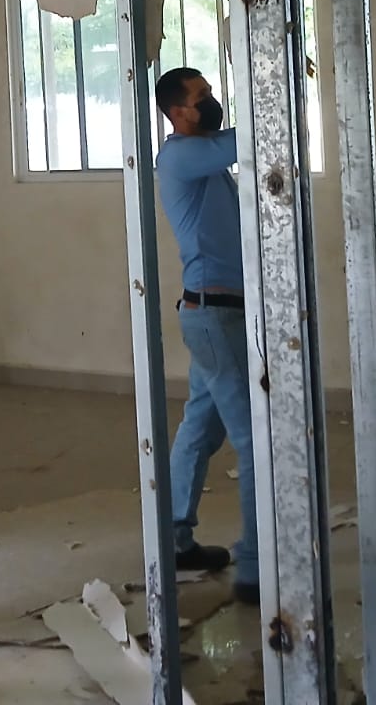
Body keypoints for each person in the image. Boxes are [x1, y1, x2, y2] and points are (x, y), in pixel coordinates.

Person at [154, 66, 258, 604]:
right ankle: (257, 568)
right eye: (202, 97)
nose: (212, 102)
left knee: (199, 429)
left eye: (211, 92)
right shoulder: (180, 156)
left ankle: (174, 540)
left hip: (214, 315)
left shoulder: (206, 158)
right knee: (254, 439)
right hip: (216, 318)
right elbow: (254, 136)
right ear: (178, 112)